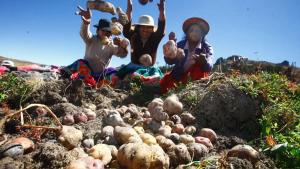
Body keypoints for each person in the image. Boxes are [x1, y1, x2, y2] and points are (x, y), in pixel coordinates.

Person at [61, 6, 129, 86]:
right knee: (80, 63)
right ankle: (72, 78)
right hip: (88, 73)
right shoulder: (92, 39)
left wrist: (123, 46)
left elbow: (122, 54)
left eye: (109, 32)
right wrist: (86, 24)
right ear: (97, 31)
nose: (106, 33)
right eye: (103, 30)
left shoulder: (111, 45)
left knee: (114, 73)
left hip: (102, 75)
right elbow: (84, 34)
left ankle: (100, 84)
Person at [114, 0, 165, 84]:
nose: (145, 30)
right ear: (138, 28)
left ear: (152, 29)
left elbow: (161, 28)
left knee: (155, 73)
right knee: (123, 73)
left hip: (150, 67)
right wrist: (129, 9)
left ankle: (149, 79)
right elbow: (127, 27)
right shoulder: (133, 35)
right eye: (143, 27)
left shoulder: (155, 37)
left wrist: (162, 12)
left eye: (148, 27)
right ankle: (137, 78)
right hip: (134, 65)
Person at [160, 17, 214, 93]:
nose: (194, 33)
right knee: (166, 83)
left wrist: (204, 62)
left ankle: (194, 91)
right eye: (191, 30)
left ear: (202, 34)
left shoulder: (207, 47)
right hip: (179, 75)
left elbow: (210, 64)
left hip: (195, 77)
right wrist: (170, 53)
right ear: (187, 33)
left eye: (198, 31)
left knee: (197, 68)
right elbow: (170, 61)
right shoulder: (180, 44)